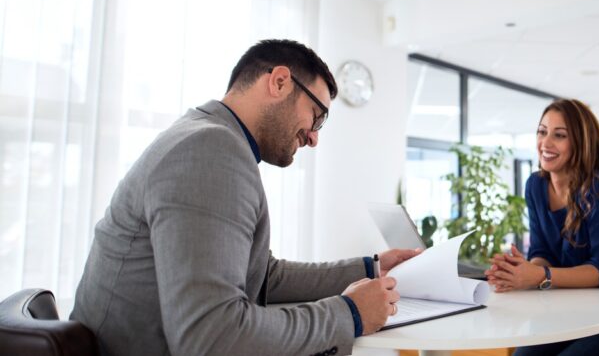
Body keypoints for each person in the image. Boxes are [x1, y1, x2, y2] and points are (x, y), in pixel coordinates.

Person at [70, 39, 419, 356]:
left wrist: (371, 268)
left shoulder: (205, 137)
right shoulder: (210, 149)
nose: (314, 138)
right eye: (317, 116)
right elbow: (211, 337)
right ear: (279, 82)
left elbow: (263, 275)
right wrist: (350, 314)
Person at [485, 99, 599, 356]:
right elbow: (542, 250)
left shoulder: (598, 188)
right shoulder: (536, 185)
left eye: (560, 135)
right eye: (542, 132)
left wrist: (539, 276)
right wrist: (525, 272)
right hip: (569, 313)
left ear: (580, 142)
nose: (546, 143)